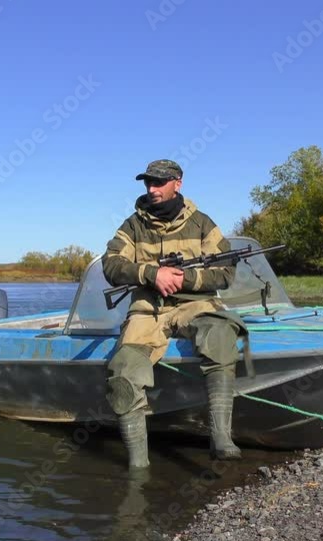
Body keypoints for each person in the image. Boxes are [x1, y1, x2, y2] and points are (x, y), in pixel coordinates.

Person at [101, 159, 246, 469]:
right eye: (148, 183)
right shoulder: (132, 226)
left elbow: (225, 273)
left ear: (177, 183)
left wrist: (187, 279)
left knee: (220, 334)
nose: (152, 188)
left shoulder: (203, 223)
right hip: (147, 310)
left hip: (195, 304)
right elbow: (111, 265)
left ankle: (221, 439)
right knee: (124, 374)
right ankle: (138, 468)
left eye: (159, 182)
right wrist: (152, 274)